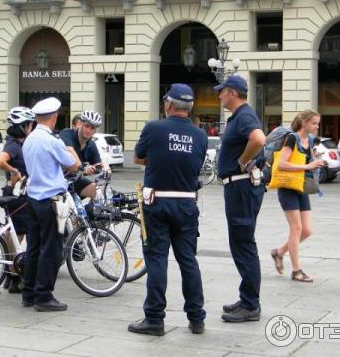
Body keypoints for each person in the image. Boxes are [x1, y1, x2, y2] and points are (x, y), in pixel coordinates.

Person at [128, 83, 207, 336]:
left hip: (157, 203)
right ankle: (196, 318)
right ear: (190, 107)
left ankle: (154, 319)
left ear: (169, 104)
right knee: (188, 261)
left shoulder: (154, 128)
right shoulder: (200, 135)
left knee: (157, 259)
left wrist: (159, 158)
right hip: (186, 203)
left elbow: (138, 158)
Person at [215, 75, 266, 323]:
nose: (219, 95)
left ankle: (251, 305)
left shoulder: (244, 115)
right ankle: (247, 298)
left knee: (244, 243)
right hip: (240, 187)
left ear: (233, 93)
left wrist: (243, 161)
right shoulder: (240, 116)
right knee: (241, 242)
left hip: (241, 186)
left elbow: (259, 139)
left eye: (222, 91)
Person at [22, 97, 80, 312]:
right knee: (52, 249)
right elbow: (73, 165)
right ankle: (44, 295)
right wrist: (71, 150)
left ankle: (29, 292)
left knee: (34, 247)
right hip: (51, 201)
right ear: (54, 118)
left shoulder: (29, 139)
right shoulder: (51, 141)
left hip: (33, 198)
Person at [270, 110, 326, 283]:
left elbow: (304, 162)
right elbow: (282, 164)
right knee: (296, 229)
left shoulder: (308, 140)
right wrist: (308, 166)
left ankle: (279, 252)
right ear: (304, 122)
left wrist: (315, 161)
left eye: (318, 123)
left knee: (306, 230)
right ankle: (296, 271)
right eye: (314, 123)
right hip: (288, 187)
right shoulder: (292, 138)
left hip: (300, 187)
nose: (317, 126)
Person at [0, 106, 35, 293]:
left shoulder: (18, 143)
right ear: (23, 126)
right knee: (17, 235)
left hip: (14, 193)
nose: (32, 127)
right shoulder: (13, 145)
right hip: (17, 196)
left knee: (13, 234)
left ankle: (10, 276)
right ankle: (14, 276)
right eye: (30, 124)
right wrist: (15, 171)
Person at [59, 110, 110, 201]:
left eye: (92, 128)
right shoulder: (67, 133)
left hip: (74, 181)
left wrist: (105, 167)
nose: (88, 130)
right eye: (87, 126)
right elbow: (70, 150)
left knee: (99, 194)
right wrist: (83, 168)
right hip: (58, 181)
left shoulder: (91, 145)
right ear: (81, 124)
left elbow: (97, 164)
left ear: (95, 130)